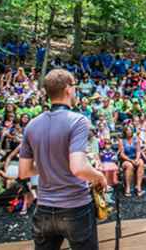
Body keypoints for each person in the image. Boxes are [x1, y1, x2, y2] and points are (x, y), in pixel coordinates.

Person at [19, 69, 107, 250]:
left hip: (43, 209)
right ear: (68, 89)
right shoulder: (78, 121)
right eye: (74, 86)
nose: (75, 91)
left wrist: (47, 164)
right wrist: (99, 176)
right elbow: (78, 168)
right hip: (75, 208)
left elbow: (24, 171)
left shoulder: (31, 125)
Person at [118, 126, 145, 197]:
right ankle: (128, 187)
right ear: (125, 132)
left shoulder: (136, 139)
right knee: (129, 165)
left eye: (130, 130)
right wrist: (130, 160)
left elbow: (138, 151)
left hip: (135, 157)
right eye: (127, 130)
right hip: (126, 159)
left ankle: (138, 186)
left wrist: (137, 159)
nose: (129, 132)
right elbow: (122, 154)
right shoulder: (121, 140)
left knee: (141, 163)